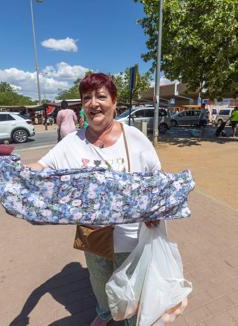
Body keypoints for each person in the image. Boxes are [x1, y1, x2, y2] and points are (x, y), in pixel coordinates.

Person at [27, 73, 161, 326]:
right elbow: (42, 166)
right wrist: (13, 172)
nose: (93, 103)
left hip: (132, 235)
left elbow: (156, 177)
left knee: (132, 292)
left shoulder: (134, 137)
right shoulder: (72, 142)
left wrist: (154, 210)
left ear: (114, 101)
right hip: (93, 235)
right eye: (86, 97)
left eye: (101, 96)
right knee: (100, 284)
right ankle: (104, 314)